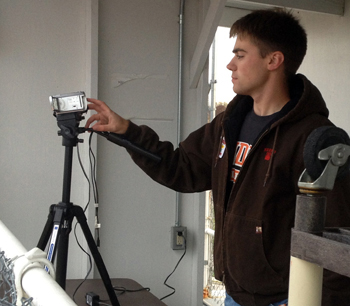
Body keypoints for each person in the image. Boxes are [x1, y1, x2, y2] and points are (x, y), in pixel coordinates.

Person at [85, 9, 350, 306]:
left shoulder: (316, 138)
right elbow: (181, 168)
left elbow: (336, 236)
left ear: (273, 60)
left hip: (286, 299)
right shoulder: (229, 122)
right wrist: (128, 132)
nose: (229, 65)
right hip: (234, 296)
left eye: (239, 55)